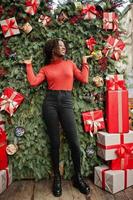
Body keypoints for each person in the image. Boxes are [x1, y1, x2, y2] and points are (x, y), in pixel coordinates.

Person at [23, 38, 90, 197]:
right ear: (52, 49)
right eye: (59, 46)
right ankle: (57, 178)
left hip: (66, 102)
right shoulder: (46, 69)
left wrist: (84, 63)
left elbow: (84, 79)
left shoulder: (70, 64)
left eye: (63, 45)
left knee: (74, 142)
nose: (63, 48)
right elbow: (33, 82)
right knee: (55, 143)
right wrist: (28, 65)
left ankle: (77, 177)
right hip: (50, 103)